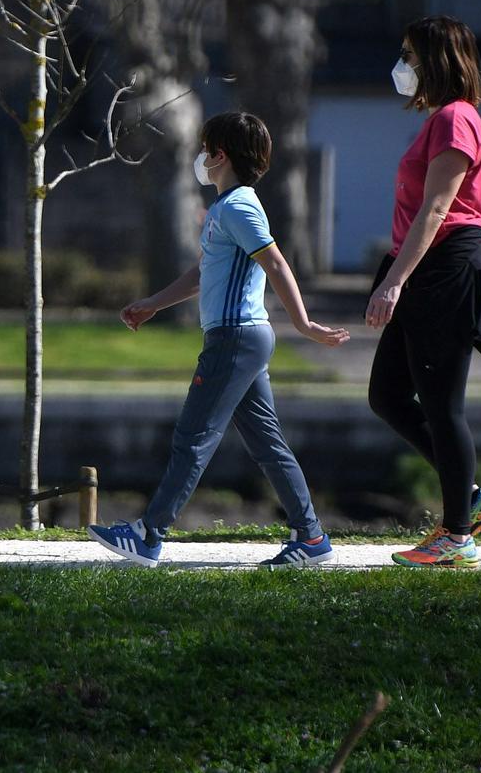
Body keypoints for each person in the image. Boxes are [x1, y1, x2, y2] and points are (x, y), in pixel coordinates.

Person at [89, 112, 351, 569]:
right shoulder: (226, 208)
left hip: (234, 340)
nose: (200, 157)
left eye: (205, 148)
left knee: (193, 436)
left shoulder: (238, 207)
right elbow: (202, 273)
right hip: (240, 341)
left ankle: (148, 535)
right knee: (268, 444)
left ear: (220, 155)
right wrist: (153, 302)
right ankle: (311, 539)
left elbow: (276, 263)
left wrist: (305, 326)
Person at [366, 15, 481, 569]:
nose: (403, 66)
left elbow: (437, 210)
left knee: (441, 404)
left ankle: (457, 535)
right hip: (426, 268)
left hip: (447, 268)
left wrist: (394, 282)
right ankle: (469, 495)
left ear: (436, 60)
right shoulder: (439, 121)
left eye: (410, 54)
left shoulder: (457, 120)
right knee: (386, 395)